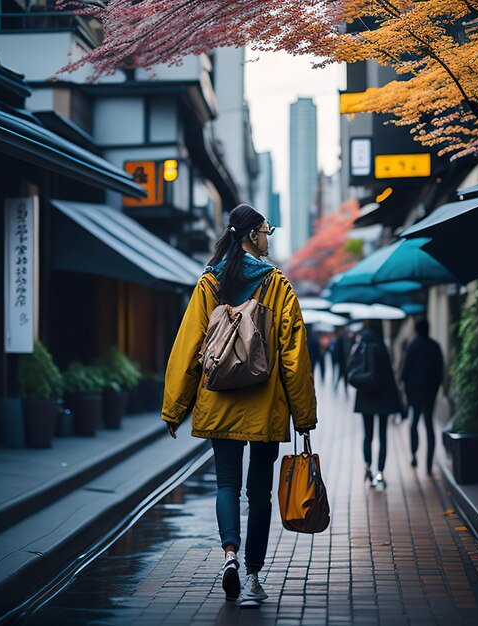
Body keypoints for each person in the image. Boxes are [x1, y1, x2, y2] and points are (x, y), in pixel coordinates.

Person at [161, 204, 317, 608]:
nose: (269, 238)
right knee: (259, 492)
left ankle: (229, 555)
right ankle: (252, 575)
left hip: (218, 401)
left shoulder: (209, 283)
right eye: (267, 231)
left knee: (226, 484)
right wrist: (304, 414)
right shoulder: (276, 284)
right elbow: (293, 352)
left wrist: (175, 407)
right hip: (265, 404)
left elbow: (187, 347)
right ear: (251, 236)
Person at [350, 319, 401, 489]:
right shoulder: (381, 347)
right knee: (382, 436)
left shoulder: (360, 344)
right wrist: (398, 404)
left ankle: (367, 468)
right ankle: (380, 473)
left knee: (368, 436)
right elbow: (389, 376)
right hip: (383, 398)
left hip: (365, 396)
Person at [400, 318, 444, 475]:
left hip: (415, 392)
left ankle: (413, 455)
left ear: (417, 330)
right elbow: (440, 370)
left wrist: (405, 390)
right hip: (430, 392)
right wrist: (437, 388)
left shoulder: (413, 346)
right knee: (429, 425)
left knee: (414, 423)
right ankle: (429, 464)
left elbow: (405, 371)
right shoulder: (435, 346)